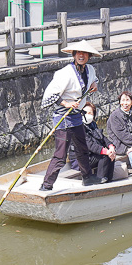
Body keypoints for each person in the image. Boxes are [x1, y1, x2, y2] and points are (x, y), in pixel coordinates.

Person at [39, 41, 101, 191]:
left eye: (84, 53)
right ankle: (46, 185)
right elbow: (50, 95)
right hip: (64, 118)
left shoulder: (90, 69)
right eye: (78, 53)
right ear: (73, 55)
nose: (81, 55)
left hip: (76, 118)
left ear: (89, 56)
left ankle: (87, 178)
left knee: (82, 148)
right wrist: (66, 103)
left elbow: (94, 80)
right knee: (60, 156)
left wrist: (94, 85)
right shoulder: (65, 73)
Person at [80, 102, 117, 184]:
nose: (87, 115)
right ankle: (100, 181)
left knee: (111, 154)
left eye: (90, 113)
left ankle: (109, 180)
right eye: (85, 112)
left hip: (91, 155)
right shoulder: (79, 127)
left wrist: (111, 147)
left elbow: (102, 138)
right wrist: (106, 152)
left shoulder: (92, 125)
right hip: (82, 159)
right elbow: (90, 145)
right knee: (104, 155)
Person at [106, 91, 132, 155]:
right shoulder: (115, 116)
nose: (125, 103)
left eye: (127, 100)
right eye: (123, 100)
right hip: (121, 146)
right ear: (120, 102)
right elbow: (123, 136)